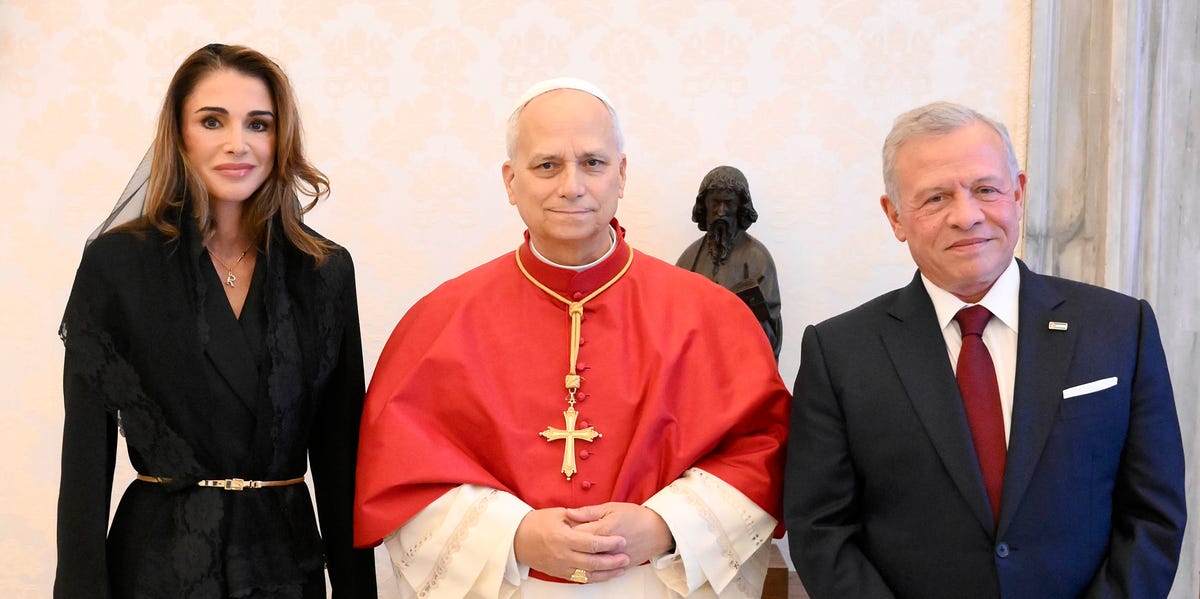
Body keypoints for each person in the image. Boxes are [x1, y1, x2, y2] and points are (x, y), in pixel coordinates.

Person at [355, 78, 791, 598]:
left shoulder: (712, 315)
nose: (572, 186)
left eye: (592, 162)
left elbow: (762, 451)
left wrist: (666, 525)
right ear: (510, 180)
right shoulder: (439, 321)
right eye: (546, 165)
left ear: (621, 174)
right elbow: (401, 474)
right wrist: (513, 535)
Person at [783, 101, 1186, 598]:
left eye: (986, 190)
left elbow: (1153, 516)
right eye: (935, 198)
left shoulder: (1121, 328)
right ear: (895, 217)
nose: (966, 216)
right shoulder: (839, 353)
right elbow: (821, 530)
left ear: (1018, 194)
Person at [56, 44, 376, 598]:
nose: (237, 143)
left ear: (280, 138)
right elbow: (85, 462)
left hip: (284, 568)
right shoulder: (117, 265)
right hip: (157, 569)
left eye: (259, 124)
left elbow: (340, 457)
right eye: (212, 121)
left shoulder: (324, 270)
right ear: (179, 135)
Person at [676, 166, 783, 358]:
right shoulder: (689, 259)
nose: (721, 211)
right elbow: (673, 321)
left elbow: (771, 330)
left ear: (741, 207)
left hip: (741, 362)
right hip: (697, 364)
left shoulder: (758, 258)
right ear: (705, 205)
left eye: (729, 203)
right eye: (715, 203)